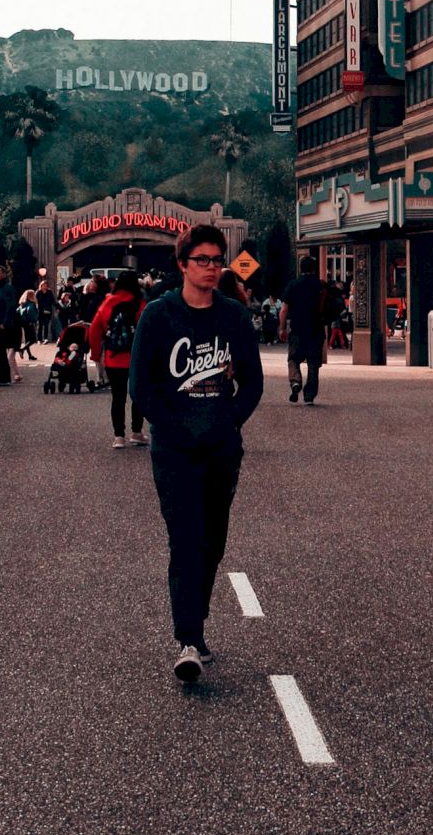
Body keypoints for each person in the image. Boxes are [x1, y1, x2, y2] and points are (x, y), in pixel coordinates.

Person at [129, 225, 263, 683]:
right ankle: (187, 638)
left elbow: (253, 383)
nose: (211, 267)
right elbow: (140, 388)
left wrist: (228, 422)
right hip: (174, 452)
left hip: (221, 449)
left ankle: (196, 623)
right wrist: (174, 427)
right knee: (185, 539)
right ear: (182, 264)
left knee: (212, 543)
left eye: (216, 259)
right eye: (202, 259)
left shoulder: (234, 318)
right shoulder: (158, 316)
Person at [90, 270, 146, 449]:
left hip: (114, 357)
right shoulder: (141, 303)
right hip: (137, 358)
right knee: (137, 396)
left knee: (118, 397)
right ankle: (136, 432)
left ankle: (119, 436)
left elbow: (94, 330)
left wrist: (96, 353)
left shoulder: (108, 302)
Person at [279, 257, 328, 406]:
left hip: (298, 330)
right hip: (316, 330)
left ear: (300, 268)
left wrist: (282, 328)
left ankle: (295, 381)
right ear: (314, 269)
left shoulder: (293, 285)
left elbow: (283, 310)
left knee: (293, 359)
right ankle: (309, 396)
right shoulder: (320, 285)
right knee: (313, 364)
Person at [0, 265, 21, 386]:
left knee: (0, 349)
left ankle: (5, 377)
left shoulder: (7, 289)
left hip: (2, 325)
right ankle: (3, 376)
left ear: (4, 274)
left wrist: (4, 323)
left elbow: (10, 306)